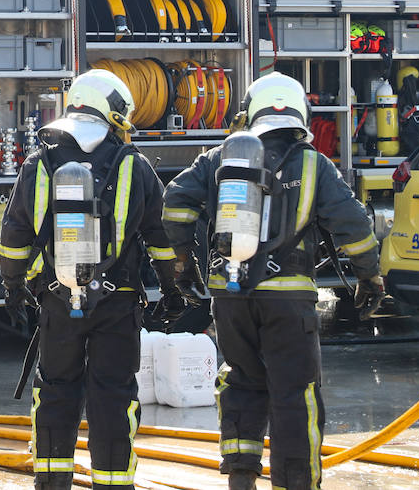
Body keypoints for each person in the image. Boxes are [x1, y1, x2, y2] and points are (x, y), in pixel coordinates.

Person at [162, 72, 384, 490]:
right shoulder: (314, 164)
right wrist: (369, 276)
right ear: (300, 113)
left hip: (230, 294)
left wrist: (184, 260)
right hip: (289, 301)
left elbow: (174, 203)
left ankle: (241, 476)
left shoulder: (218, 159)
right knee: (295, 392)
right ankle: (295, 483)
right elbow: (353, 225)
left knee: (241, 379)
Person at [0, 69, 185, 490]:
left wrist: (13, 287)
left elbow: (14, 237)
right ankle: (113, 484)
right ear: (114, 112)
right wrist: (172, 290)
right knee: (113, 397)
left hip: (57, 301)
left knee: (56, 392)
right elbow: (161, 237)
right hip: (117, 305)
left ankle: (51, 483)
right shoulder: (134, 166)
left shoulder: (38, 164)